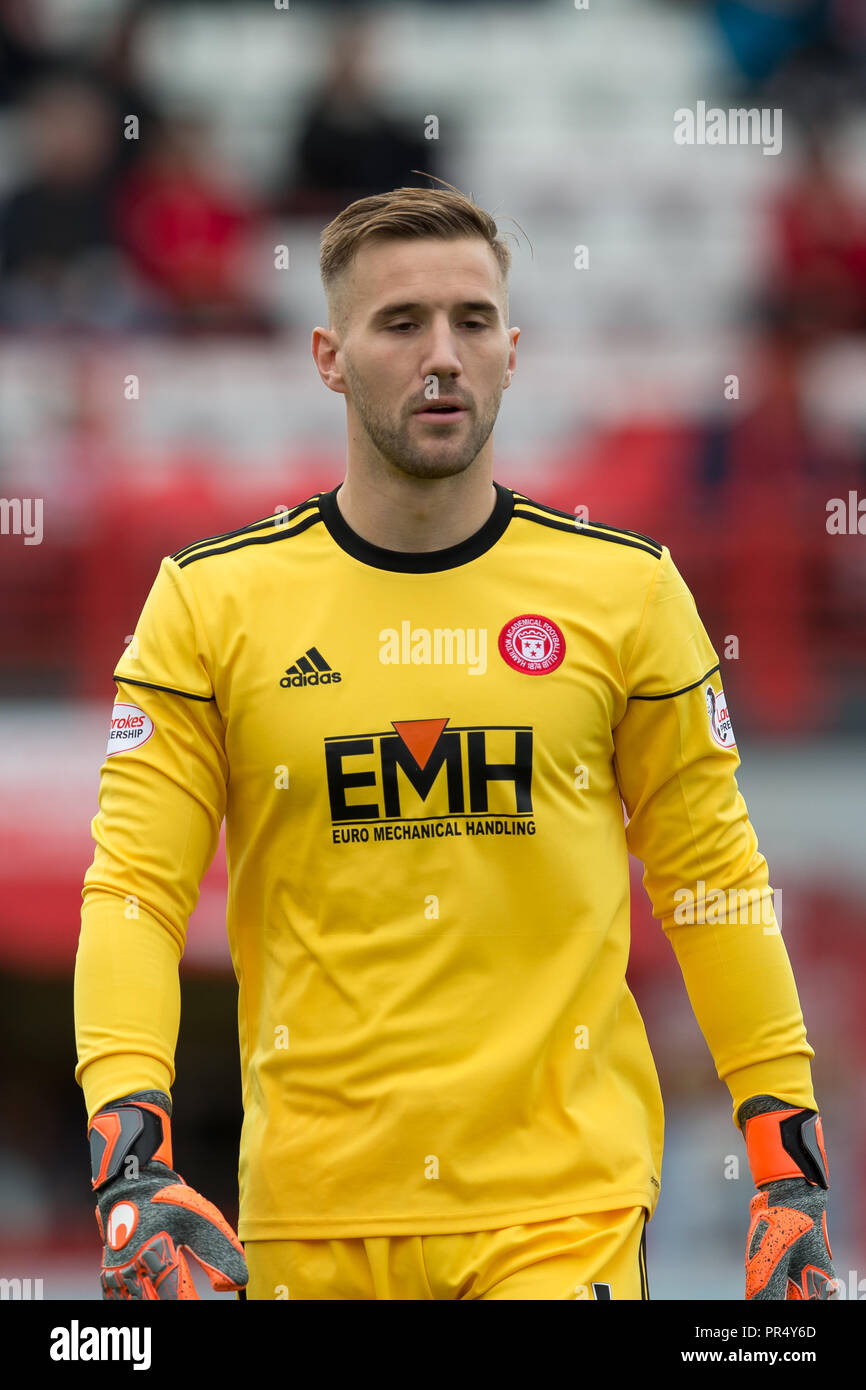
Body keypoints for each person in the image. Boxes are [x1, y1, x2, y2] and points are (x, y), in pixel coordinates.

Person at [74, 181, 836, 1301]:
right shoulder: (207, 605)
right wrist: (130, 1161)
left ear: (512, 351)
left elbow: (710, 881)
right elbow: (133, 891)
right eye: (401, 323)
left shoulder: (625, 591)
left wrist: (790, 1175)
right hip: (307, 1218)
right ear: (329, 356)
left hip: (560, 1213)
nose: (442, 355)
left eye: (471, 321)